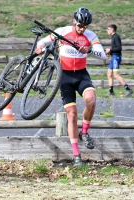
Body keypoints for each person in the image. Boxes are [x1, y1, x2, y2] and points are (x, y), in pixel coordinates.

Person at [35, 7, 106, 166]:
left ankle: (85, 132)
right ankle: (76, 156)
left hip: (81, 75)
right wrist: (39, 48)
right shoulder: (63, 31)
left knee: (91, 101)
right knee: (72, 115)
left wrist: (89, 50)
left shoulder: (90, 36)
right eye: (80, 25)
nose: (82, 29)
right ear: (75, 21)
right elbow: (44, 41)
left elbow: (102, 55)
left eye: (85, 26)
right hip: (65, 77)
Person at [105, 24, 134, 97]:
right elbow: (115, 48)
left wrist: (110, 50)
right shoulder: (113, 37)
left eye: (108, 29)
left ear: (112, 30)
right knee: (109, 73)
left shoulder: (116, 37)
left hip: (116, 57)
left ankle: (128, 89)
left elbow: (119, 48)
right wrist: (110, 52)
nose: (107, 31)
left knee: (116, 75)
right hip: (113, 57)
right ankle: (111, 91)